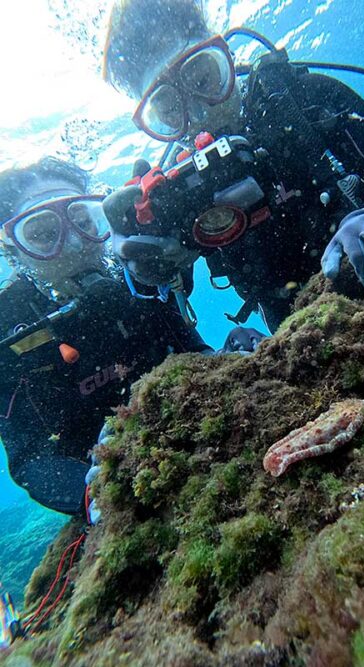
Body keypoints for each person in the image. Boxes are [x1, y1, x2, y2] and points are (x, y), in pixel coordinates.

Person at [101, 0, 364, 332]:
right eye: (172, 110)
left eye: (204, 80)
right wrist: (140, 257)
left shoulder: (303, 100)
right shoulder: (177, 190)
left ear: (227, 58)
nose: (200, 115)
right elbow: (167, 290)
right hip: (293, 336)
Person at [0, 157, 214, 516]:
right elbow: (30, 458)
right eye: (42, 235)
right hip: (109, 490)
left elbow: (195, 353)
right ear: (14, 251)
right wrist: (92, 492)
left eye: (84, 223)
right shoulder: (8, 330)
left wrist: (228, 361)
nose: (73, 246)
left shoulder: (137, 278)